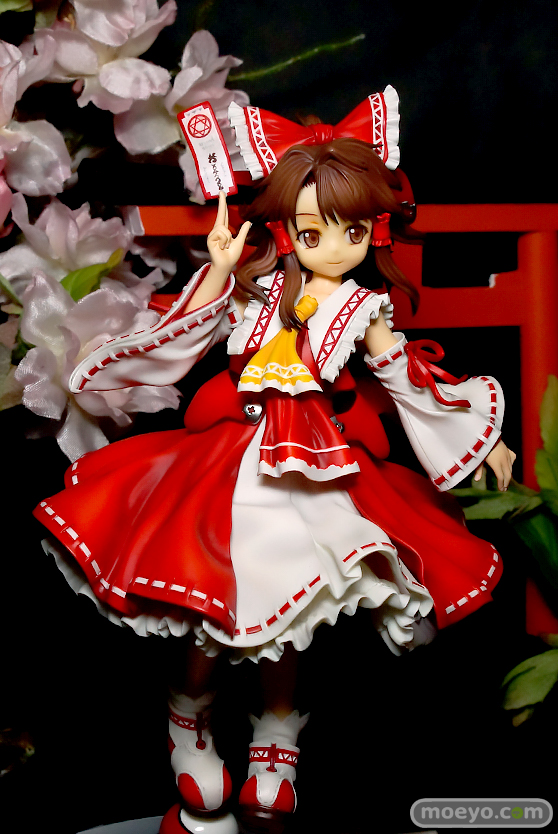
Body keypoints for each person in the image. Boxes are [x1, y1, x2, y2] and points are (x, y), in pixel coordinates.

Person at [34, 89, 515, 834]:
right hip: (232, 458)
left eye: (354, 230)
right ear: (287, 228)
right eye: (316, 230)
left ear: (374, 229)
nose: (336, 247)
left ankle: (278, 729)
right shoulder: (252, 298)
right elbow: (187, 334)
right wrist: (220, 269)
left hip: (321, 469)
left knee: (292, 607)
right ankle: (189, 714)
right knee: (209, 601)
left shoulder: (362, 309)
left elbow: (406, 377)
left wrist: (481, 435)